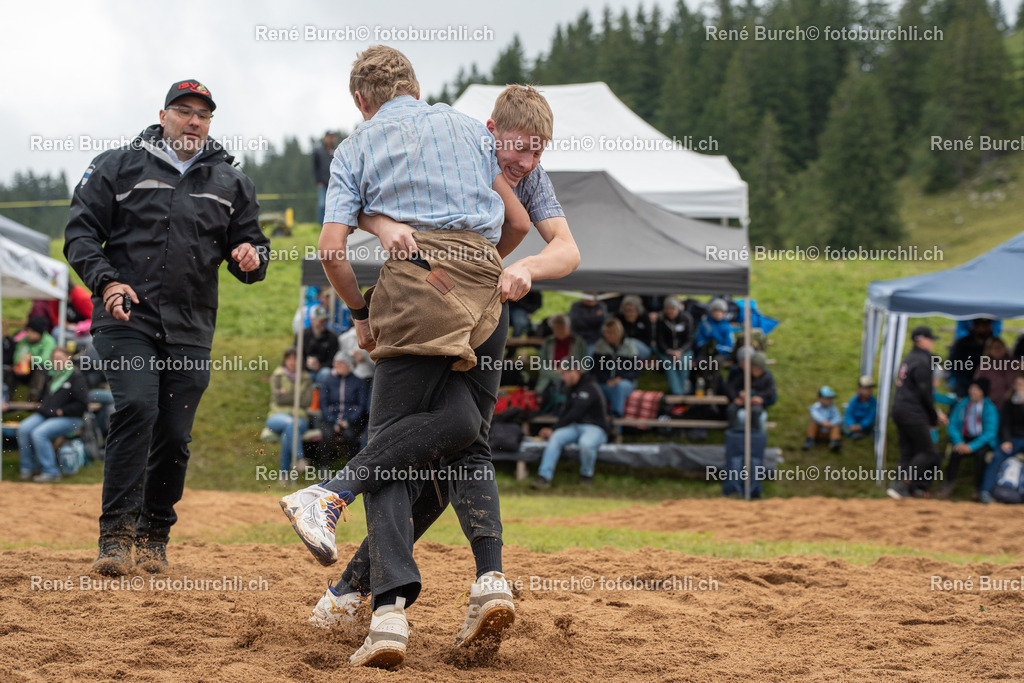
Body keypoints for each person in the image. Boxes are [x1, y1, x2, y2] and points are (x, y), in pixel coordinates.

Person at [281, 53, 578, 669]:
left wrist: (366, 305)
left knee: (391, 439)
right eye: (519, 151)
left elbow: (332, 246)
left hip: (428, 280)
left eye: (535, 154)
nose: (524, 164)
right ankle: (464, 581)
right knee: (462, 437)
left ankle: (379, 597)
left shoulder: (365, 142)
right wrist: (488, 267)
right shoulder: (468, 130)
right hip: (483, 290)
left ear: (362, 101)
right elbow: (517, 221)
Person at [64, 78, 268, 576]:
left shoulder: (230, 181)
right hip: (126, 315)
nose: (194, 121)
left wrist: (249, 256)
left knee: (174, 434)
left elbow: (255, 248)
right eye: (184, 111)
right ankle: (114, 538)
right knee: (137, 406)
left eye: (203, 114)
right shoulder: (117, 166)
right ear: (163, 115)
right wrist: (107, 282)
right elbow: (80, 234)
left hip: (191, 327)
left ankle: (154, 534)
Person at [887, 327, 946, 499]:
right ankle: (902, 483)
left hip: (899, 408)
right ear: (920, 339)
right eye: (930, 339)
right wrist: (933, 417)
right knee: (929, 451)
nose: (933, 342)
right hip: (912, 412)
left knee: (908, 451)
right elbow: (924, 393)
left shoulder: (910, 357)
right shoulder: (922, 361)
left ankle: (897, 487)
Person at [17, 347, 89, 482]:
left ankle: (50, 471)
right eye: (54, 359)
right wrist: (41, 404)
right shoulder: (51, 375)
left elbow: (83, 404)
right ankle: (28, 468)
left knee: (39, 433)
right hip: (47, 415)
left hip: (70, 418)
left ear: (68, 359)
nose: (57, 362)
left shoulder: (76, 377)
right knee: (24, 428)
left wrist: (62, 411)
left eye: (60, 359)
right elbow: (44, 396)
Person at [531, 367, 610, 488]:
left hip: (595, 428)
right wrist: (554, 430)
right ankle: (544, 477)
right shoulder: (571, 388)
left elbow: (575, 412)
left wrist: (553, 428)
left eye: (565, 374)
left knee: (586, 443)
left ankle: (586, 476)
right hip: (575, 427)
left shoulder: (590, 387)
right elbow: (565, 413)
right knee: (556, 437)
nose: (563, 378)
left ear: (574, 371)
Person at [936, 377, 998, 500]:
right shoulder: (963, 404)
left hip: (982, 440)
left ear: (983, 392)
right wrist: (959, 442)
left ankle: (978, 489)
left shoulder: (990, 408)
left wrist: (971, 447)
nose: (973, 392)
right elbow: (952, 424)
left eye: (977, 389)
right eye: (972, 388)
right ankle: (948, 485)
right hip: (964, 438)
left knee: (981, 455)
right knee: (955, 452)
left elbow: (990, 433)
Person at [266, 348, 314, 475]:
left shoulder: (306, 378)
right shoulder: (277, 375)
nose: (292, 362)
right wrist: (297, 396)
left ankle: (283, 474)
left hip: (300, 418)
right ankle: (299, 458)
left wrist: (286, 394)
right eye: (289, 359)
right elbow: (279, 399)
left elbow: (306, 402)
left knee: (287, 433)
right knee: (291, 423)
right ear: (285, 360)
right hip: (277, 416)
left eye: (295, 359)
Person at [980, 374, 1024, 503]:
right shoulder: (1009, 401)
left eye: (1022, 385)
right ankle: (985, 492)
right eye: (1017, 385)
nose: (1019, 388)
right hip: (1013, 439)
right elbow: (1005, 424)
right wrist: (1006, 441)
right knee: (998, 456)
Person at [319, 351, 369, 464]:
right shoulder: (328, 380)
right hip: (331, 419)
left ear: (349, 365)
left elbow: (361, 405)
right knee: (327, 434)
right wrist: (333, 420)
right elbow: (323, 403)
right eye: (336, 363)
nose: (338, 366)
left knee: (350, 435)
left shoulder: (358, 381)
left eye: (341, 363)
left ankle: (350, 467)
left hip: (350, 420)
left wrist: (349, 420)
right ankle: (324, 466)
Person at [591, 318, 642, 417]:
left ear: (617, 333)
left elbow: (635, 371)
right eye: (605, 332)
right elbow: (594, 369)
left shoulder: (629, 346)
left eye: (610, 333)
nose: (606, 335)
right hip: (605, 383)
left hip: (625, 382)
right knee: (595, 388)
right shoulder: (600, 346)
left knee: (619, 387)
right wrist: (606, 380)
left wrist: (620, 378)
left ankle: (616, 416)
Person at [534, 313, 588, 395]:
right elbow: (542, 366)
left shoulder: (578, 342)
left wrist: (567, 371)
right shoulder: (548, 342)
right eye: (556, 329)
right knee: (545, 395)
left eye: (562, 328)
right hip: (550, 378)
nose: (559, 331)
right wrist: (558, 374)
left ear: (569, 327)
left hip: (572, 378)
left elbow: (585, 365)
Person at [724, 351, 776, 431]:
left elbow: (770, 392)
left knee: (755, 412)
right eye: (753, 368)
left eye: (758, 369)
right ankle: (736, 432)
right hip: (743, 401)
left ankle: (755, 434)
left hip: (756, 403)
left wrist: (761, 399)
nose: (755, 371)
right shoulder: (745, 375)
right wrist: (737, 396)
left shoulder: (767, 377)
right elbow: (731, 386)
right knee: (731, 409)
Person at [7, 316, 56, 402]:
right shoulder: (24, 341)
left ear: (39, 332)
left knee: (40, 368)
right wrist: (19, 364)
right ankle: (6, 398)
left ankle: (33, 399)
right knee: (10, 371)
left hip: (43, 372)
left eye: (32, 332)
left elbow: (46, 360)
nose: (28, 334)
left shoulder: (49, 341)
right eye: (28, 331)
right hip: (24, 370)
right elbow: (16, 356)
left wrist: (31, 359)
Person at [653, 297, 694, 396]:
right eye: (667, 308)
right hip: (666, 351)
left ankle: (682, 390)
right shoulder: (661, 319)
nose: (669, 311)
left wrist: (680, 351)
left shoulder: (686, 318)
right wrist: (669, 352)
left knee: (683, 362)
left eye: (672, 309)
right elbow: (660, 340)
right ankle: (678, 393)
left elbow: (690, 340)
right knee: (669, 364)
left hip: (684, 350)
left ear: (677, 308)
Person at [948, 318, 994, 397]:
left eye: (988, 325)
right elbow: (954, 365)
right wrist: (970, 383)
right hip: (964, 385)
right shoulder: (963, 343)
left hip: (988, 387)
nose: (987, 328)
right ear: (975, 327)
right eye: (984, 326)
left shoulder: (993, 342)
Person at [299, 305, 339, 387]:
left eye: (325, 320)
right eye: (320, 320)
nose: (323, 323)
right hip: (305, 370)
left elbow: (333, 359)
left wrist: (320, 366)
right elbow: (297, 354)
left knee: (326, 373)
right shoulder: (303, 335)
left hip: (323, 370)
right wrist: (306, 364)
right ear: (312, 319)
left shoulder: (332, 337)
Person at [973, 337, 1015, 410]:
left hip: (1013, 404)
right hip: (992, 405)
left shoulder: (1015, 364)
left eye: (1000, 347)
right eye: (994, 348)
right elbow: (976, 386)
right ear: (989, 350)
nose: (997, 350)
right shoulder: (983, 367)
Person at [804, 385, 842, 453]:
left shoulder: (833, 408)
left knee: (836, 427)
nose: (829, 401)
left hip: (829, 431)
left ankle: (834, 442)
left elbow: (838, 417)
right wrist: (822, 421)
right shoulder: (816, 407)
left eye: (830, 399)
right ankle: (810, 440)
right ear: (819, 398)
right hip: (819, 431)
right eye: (826, 399)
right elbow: (814, 414)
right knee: (813, 424)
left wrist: (831, 423)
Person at [313, 130, 339, 225]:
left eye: (332, 136)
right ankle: (322, 224)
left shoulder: (338, 150)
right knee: (322, 204)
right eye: (329, 136)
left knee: (335, 204)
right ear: (325, 138)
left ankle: (334, 223)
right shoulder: (318, 151)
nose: (331, 139)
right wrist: (318, 181)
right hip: (322, 183)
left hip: (335, 182)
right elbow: (315, 168)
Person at [616, 295, 653, 360]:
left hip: (643, 348)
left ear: (638, 310)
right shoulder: (619, 318)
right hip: (622, 349)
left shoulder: (644, 318)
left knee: (629, 342)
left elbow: (648, 340)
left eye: (632, 310)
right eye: (627, 311)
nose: (629, 314)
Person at [843, 376, 877, 440]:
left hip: (865, 424)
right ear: (859, 388)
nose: (869, 390)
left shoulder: (873, 401)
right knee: (842, 422)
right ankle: (853, 433)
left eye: (870, 388)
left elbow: (871, 416)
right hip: (854, 422)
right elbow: (848, 413)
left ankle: (863, 432)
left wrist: (861, 426)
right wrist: (851, 424)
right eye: (866, 388)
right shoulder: (854, 400)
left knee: (874, 423)